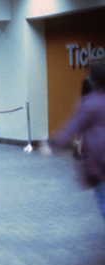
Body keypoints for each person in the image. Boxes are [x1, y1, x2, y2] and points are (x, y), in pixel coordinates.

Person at [44, 60, 105, 223]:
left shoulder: (90, 103)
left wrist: (54, 143)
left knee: (103, 199)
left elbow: (73, 126)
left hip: (99, 160)